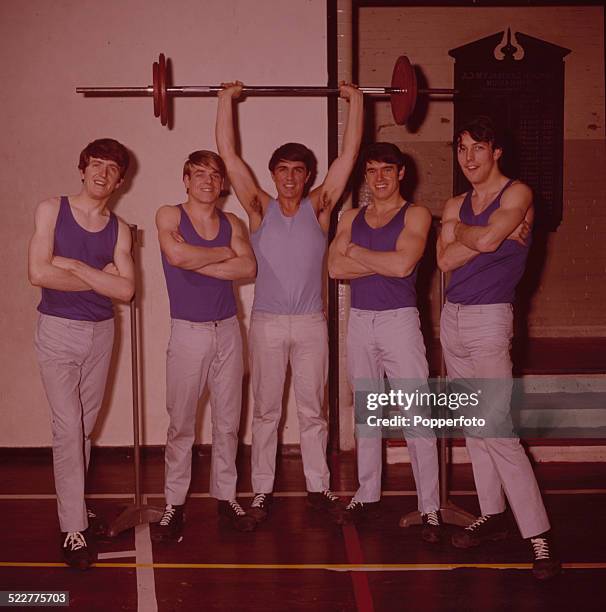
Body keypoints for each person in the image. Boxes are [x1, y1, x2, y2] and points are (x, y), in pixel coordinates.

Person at [216, 81, 363, 523]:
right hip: (267, 322)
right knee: (265, 410)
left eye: (298, 170)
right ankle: (262, 490)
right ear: (273, 173)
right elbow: (228, 155)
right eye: (283, 169)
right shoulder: (258, 207)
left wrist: (356, 102)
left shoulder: (320, 207)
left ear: (308, 176)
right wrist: (225, 100)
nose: (290, 177)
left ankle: (318, 487)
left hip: (311, 323)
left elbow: (349, 157)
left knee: (313, 409)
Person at [437, 116, 560, 579]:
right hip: (452, 317)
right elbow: (445, 260)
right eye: (461, 148)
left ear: (496, 152)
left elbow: (477, 240)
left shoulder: (518, 193)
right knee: (474, 423)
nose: (468, 158)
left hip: (491, 318)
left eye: (477, 148)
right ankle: (493, 514)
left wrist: (469, 233)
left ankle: (539, 535)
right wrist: (487, 237)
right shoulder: (455, 201)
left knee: (500, 429)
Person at [28, 138, 135, 570]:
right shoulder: (51, 209)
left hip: (102, 334)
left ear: (120, 180)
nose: (102, 173)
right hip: (57, 331)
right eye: (96, 164)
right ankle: (73, 527)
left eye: (111, 168)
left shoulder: (120, 229)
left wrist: (73, 267)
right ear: (83, 168)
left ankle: (75, 504)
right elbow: (38, 273)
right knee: (67, 428)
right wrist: (102, 278)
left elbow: (126, 291)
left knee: (83, 430)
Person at [328, 142, 441, 541]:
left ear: (401, 173)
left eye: (386, 170)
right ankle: (367, 492)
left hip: (399, 323)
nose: (379, 178)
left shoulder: (417, 214)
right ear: (365, 176)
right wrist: (378, 259)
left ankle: (430, 508)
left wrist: (356, 251)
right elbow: (333, 266)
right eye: (372, 170)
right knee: (367, 415)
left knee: (416, 417)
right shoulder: (351, 215)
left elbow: (403, 264)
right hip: (359, 321)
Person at [153, 150, 257, 541]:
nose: (207, 182)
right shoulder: (169, 214)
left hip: (228, 329)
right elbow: (175, 254)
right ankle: (174, 505)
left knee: (228, 422)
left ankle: (226, 497)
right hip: (188, 332)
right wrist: (222, 255)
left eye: (214, 176)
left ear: (223, 184)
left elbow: (249, 268)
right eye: (199, 174)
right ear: (186, 179)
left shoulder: (232, 221)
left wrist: (197, 260)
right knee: (181, 424)